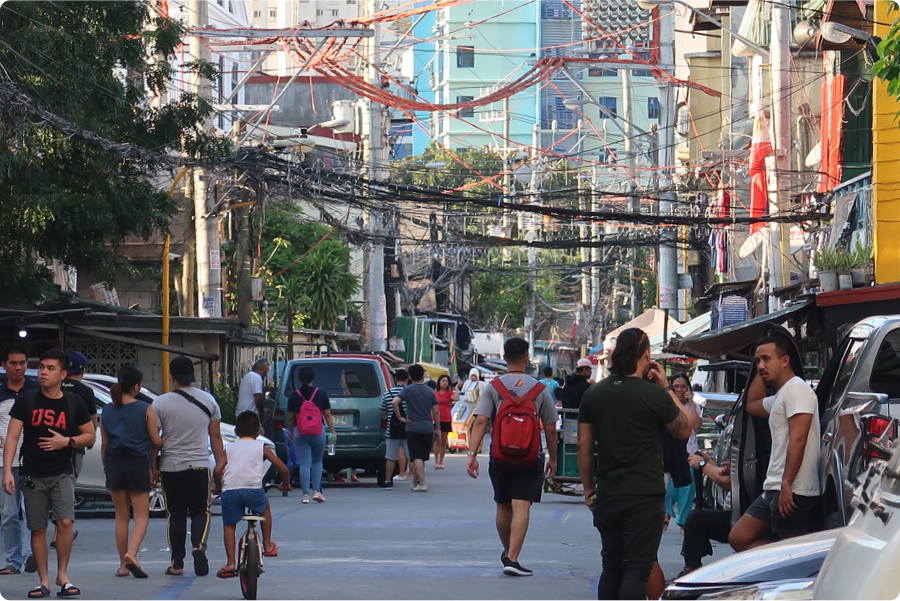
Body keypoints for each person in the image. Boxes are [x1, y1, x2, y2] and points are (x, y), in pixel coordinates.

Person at [577, 328, 693, 599]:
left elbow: (583, 446)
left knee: (611, 567)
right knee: (637, 570)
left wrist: (589, 489)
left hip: (608, 493)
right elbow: (685, 429)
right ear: (646, 354)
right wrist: (666, 388)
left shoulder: (594, 393)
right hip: (644, 496)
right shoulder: (653, 395)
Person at [2, 349, 95, 599]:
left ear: (63, 374)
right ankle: (43, 581)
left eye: (50, 368)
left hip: (62, 472)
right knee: (38, 528)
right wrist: (8, 471)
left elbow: (90, 436)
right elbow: (13, 436)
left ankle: (62, 576)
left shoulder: (74, 402)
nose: (43, 372)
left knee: (65, 522)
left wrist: (67, 441)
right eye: (42, 367)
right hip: (32, 474)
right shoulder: (27, 401)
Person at [466, 337, 559, 577]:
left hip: (500, 456)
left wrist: (472, 454)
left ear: (504, 357)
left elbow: (481, 421)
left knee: (503, 504)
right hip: (530, 457)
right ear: (527, 357)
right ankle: (513, 558)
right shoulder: (539, 389)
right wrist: (553, 458)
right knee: (522, 505)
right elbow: (550, 428)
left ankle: (508, 552)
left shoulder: (493, 387)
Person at [729, 336, 821, 552]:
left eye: (767, 359)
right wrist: (762, 372)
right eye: (758, 361)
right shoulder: (782, 395)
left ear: (785, 360)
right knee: (739, 538)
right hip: (774, 487)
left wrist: (787, 483)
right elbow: (751, 404)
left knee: (790, 555)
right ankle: (794, 554)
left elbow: (799, 439)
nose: (761, 365)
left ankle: (805, 558)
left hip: (794, 489)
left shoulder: (797, 390)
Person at [151, 356, 224, 577]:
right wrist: (221, 466)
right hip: (199, 466)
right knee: (201, 511)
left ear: (171, 377)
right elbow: (216, 436)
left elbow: (154, 441)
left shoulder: (160, 403)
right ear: (192, 376)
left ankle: (177, 564)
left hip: (171, 467)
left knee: (176, 516)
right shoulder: (209, 400)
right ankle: (198, 546)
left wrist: (152, 466)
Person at [101, 366, 163, 579]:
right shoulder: (146, 409)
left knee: (121, 517)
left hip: (114, 464)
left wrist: (106, 465)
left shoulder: (107, 410)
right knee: (141, 516)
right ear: (136, 386)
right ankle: (132, 554)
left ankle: (122, 566)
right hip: (137, 463)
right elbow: (155, 440)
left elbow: (104, 444)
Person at [212, 411, 291, 579]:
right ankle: (268, 545)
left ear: (236, 431)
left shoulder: (230, 448)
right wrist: (285, 484)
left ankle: (230, 563)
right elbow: (283, 468)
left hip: (231, 491)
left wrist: (218, 487)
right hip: (253, 490)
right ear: (258, 431)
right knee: (265, 509)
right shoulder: (262, 447)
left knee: (229, 525)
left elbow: (217, 470)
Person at [54, 352, 99, 549]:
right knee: (68, 487)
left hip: (48, 444)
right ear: (83, 370)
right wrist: (90, 440)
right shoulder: (85, 391)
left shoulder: (52, 386)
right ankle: (61, 532)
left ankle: (58, 530)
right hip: (73, 444)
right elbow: (92, 423)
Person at [0, 346, 38, 575]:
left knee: (35, 512)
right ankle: (13, 561)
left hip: (33, 460)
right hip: (5, 463)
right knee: (9, 514)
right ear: (4, 365)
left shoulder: (36, 390)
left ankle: (34, 555)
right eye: (13, 363)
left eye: (22, 363)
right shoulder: (0, 392)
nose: (18, 367)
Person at [677, 453, 732, 578]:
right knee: (696, 519)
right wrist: (709, 464)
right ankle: (692, 568)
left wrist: (703, 464)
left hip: (739, 516)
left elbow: (728, 482)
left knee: (695, 519)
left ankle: (691, 571)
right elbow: (724, 477)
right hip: (733, 512)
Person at [287, 367, 336, 504]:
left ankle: (305, 495)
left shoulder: (294, 395)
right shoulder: (321, 394)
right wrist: (333, 431)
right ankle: (317, 491)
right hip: (318, 432)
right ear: (313, 378)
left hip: (300, 432)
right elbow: (327, 415)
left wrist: (291, 432)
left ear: (299, 379)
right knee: (317, 461)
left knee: (304, 463)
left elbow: (291, 417)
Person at [665, 374, 703, 534]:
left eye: (683, 386)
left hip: (689, 452)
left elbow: (696, 425)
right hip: (670, 453)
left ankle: (683, 522)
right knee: (669, 489)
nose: (679, 390)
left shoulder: (694, 406)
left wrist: (691, 403)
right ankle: (666, 513)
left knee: (687, 489)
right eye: (676, 386)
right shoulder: (666, 404)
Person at [393, 364, 440, 493]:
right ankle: (416, 481)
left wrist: (401, 418)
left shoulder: (407, 390)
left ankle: (422, 483)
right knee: (422, 456)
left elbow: (394, 402)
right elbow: (436, 412)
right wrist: (437, 428)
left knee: (416, 456)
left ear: (409, 376)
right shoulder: (430, 391)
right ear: (422, 375)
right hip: (428, 427)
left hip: (413, 426)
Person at [380, 369, 410, 490]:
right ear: (407, 379)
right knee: (412, 456)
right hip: (409, 429)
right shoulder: (410, 393)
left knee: (390, 457)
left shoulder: (388, 394)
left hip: (392, 430)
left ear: (395, 379)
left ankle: (388, 480)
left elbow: (382, 411)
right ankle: (417, 479)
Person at [433, 375, 458, 470]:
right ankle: (436, 460)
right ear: (439, 382)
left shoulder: (449, 393)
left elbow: (456, 398)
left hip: (446, 418)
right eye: (443, 381)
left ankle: (441, 461)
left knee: (443, 441)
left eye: (446, 381)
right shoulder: (434, 392)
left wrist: (456, 387)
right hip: (436, 418)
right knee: (437, 440)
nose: (445, 383)